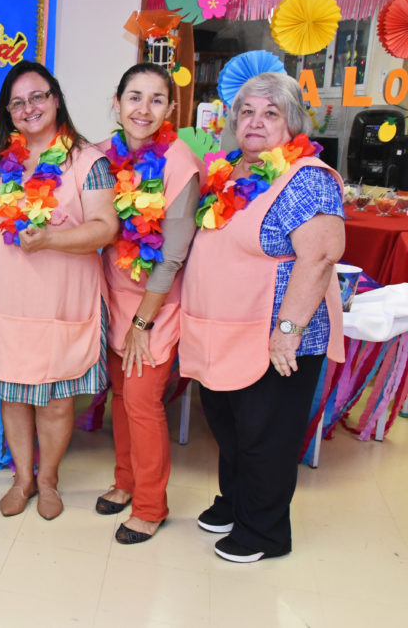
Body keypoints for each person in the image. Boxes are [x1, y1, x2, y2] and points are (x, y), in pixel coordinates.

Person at [179, 71, 344, 562]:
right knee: (230, 428)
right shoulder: (228, 171)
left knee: (265, 436)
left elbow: (318, 257)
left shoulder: (307, 178)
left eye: (270, 113)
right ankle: (235, 503)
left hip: (278, 336)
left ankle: (264, 532)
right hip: (222, 332)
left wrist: (287, 332)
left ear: (291, 123)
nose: (256, 122)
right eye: (247, 112)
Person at [0, 61, 117, 520]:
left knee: (57, 403)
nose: (29, 108)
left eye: (38, 96)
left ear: (56, 99)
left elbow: (105, 228)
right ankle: (23, 479)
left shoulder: (88, 162)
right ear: (7, 112)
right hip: (9, 301)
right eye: (17, 102)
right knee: (14, 397)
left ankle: (50, 480)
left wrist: (52, 238)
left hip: (64, 302)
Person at [94, 63, 205, 544]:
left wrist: (143, 322)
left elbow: (173, 256)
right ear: (116, 103)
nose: (143, 109)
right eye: (134, 97)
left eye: (156, 99)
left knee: (142, 402)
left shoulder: (180, 164)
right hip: (114, 297)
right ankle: (125, 481)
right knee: (121, 396)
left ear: (169, 108)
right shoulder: (102, 155)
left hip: (157, 304)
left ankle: (150, 505)